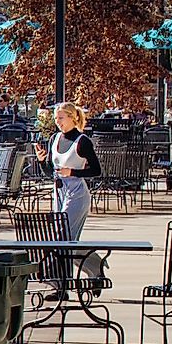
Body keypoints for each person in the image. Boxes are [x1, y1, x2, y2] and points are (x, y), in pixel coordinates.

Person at [50, 103, 101, 241]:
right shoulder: (55, 138)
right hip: (58, 190)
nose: (57, 122)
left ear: (72, 118)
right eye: (55, 118)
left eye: (61, 118)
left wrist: (72, 172)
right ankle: (94, 263)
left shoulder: (82, 141)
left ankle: (60, 262)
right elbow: (50, 171)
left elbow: (97, 170)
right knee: (60, 235)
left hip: (76, 191)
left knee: (63, 233)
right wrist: (42, 160)